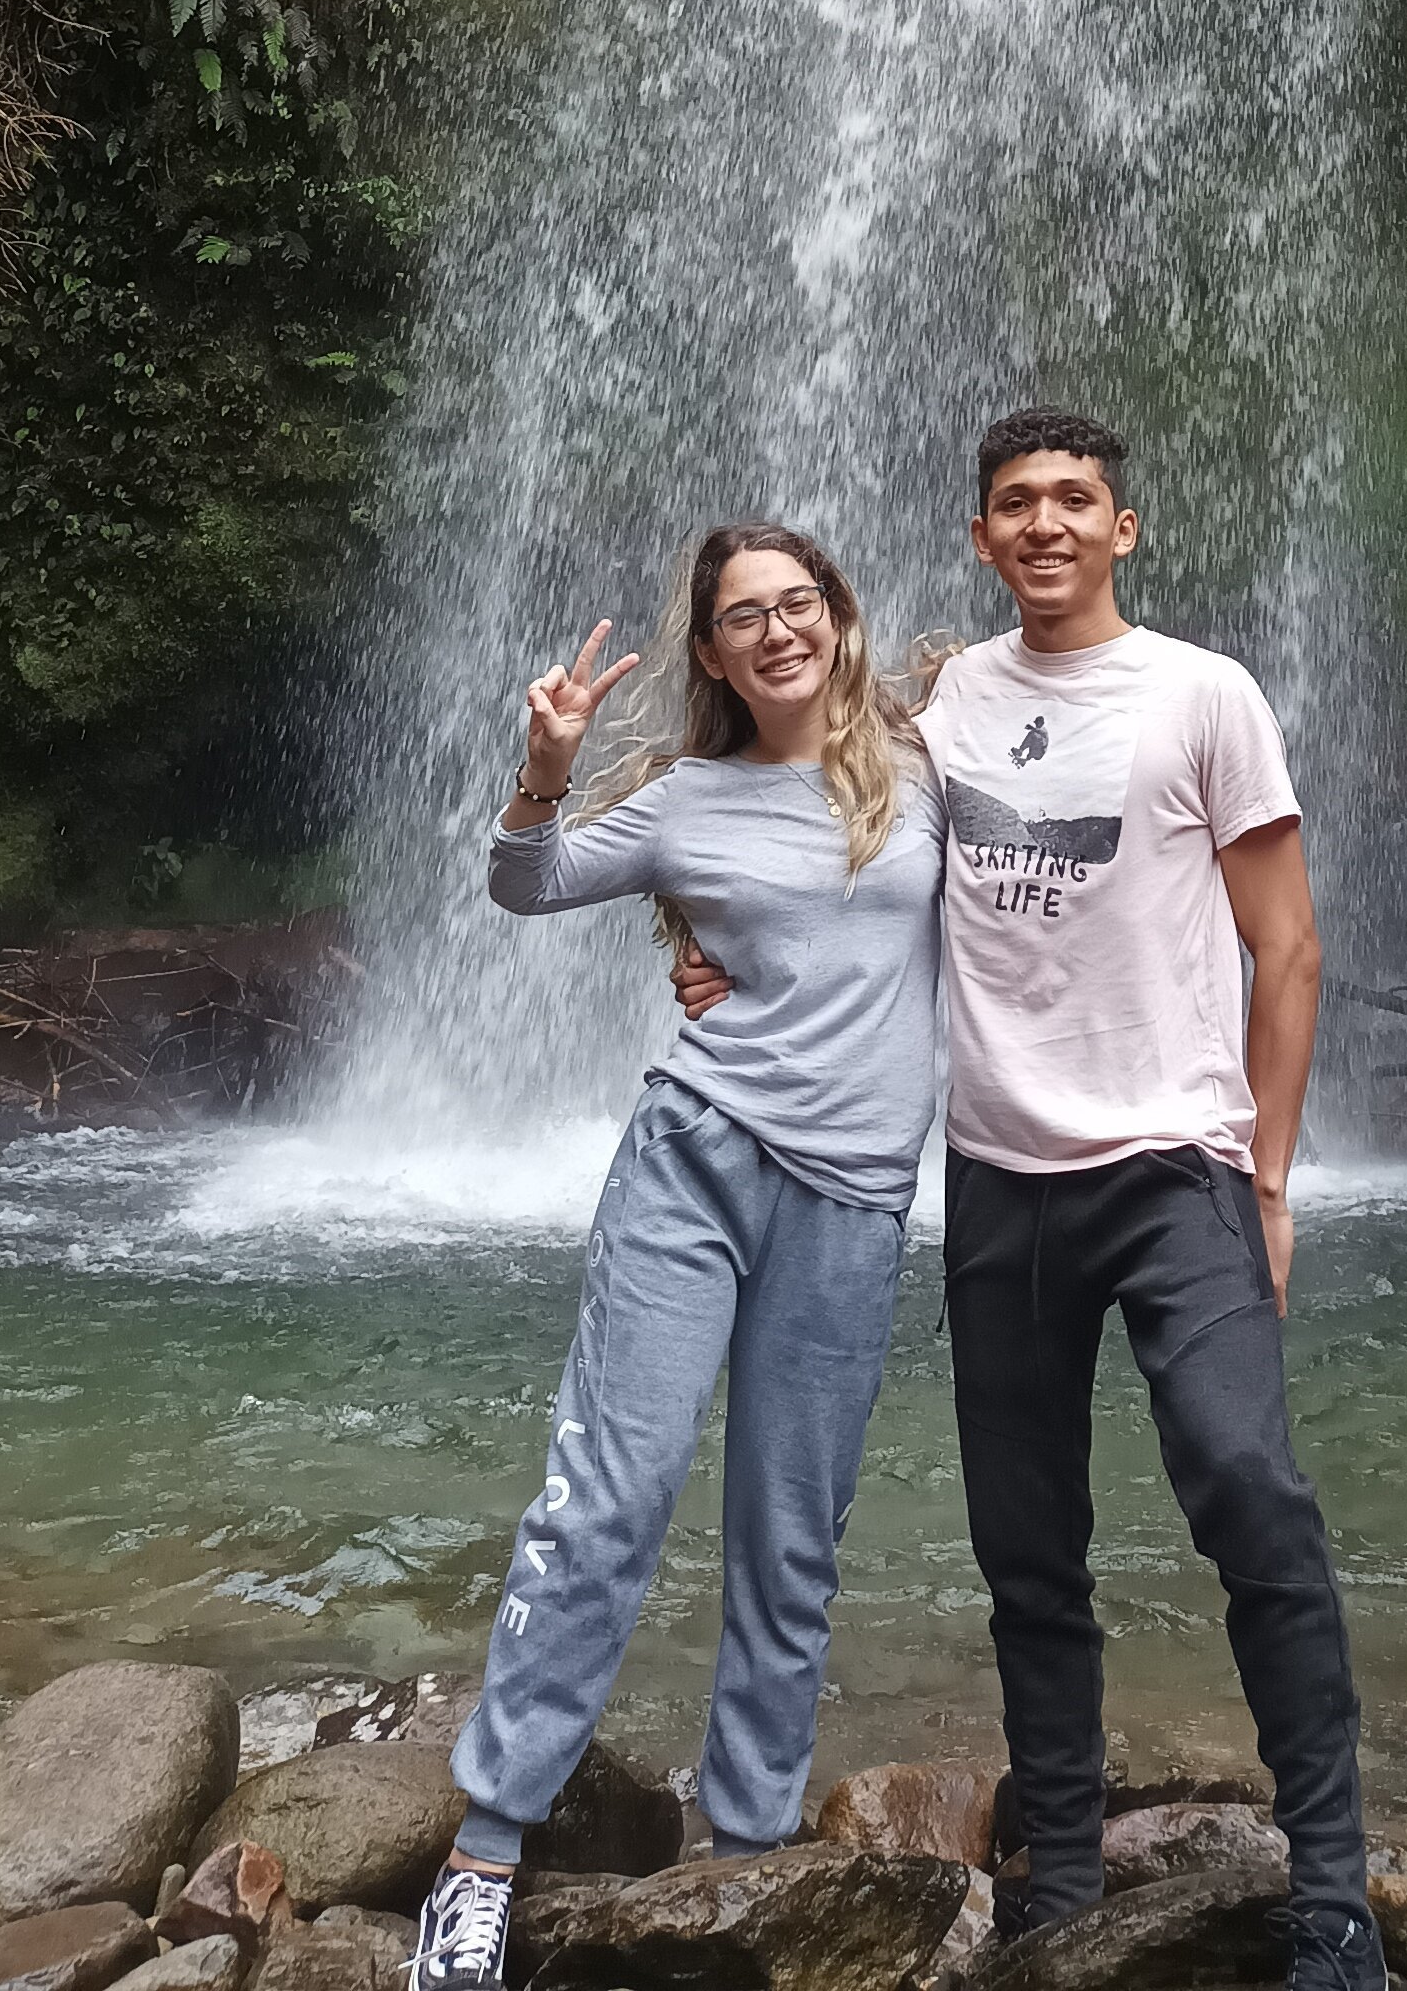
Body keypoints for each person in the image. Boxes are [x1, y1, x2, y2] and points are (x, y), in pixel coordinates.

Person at [676, 408, 1384, 1991]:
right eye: (1017, 504)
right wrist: (702, 929)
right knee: (1026, 1544)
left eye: (1076, 500)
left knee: (1248, 1490)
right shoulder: (936, 709)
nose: (1047, 523)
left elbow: (1291, 945)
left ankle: (1331, 1885)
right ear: (981, 539)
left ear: (1124, 529)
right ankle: (1060, 1865)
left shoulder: (1207, 695)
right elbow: (792, 805)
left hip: (1178, 1167)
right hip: (998, 1177)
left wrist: (1268, 1181)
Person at [408, 523, 944, 1991]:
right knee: (609, 1502)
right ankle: (486, 1848)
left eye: (798, 604)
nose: (775, 631)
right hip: (694, 1164)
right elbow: (525, 886)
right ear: (709, 652)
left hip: (849, 1205)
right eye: (741, 616)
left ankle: (754, 1849)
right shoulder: (679, 800)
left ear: (837, 619)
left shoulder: (931, 766)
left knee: (792, 1538)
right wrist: (544, 764)